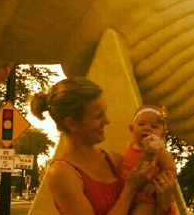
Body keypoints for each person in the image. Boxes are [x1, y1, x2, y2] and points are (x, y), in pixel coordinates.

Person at [30, 77, 176, 215]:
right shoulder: (62, 174)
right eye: (98, 116)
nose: (107, 121)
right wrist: (130, 188)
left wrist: (163, 204)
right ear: (72, 124)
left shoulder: (114, 160)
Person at [121, 105, 177, 215]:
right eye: (141, 124)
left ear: (162, 135)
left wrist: (156, 183)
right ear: (131, 129)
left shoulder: (160, 151)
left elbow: (171, 170)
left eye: (154, 126)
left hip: (148, 198)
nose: (147, 128)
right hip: (128, 192)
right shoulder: (129, 147)